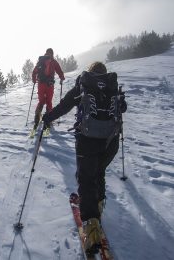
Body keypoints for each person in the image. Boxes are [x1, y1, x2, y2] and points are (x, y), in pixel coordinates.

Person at [42, 61, 127, 255]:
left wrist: (48, 118)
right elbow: (123, 108)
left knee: (86, 179)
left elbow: (64, 106)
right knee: (99, 172)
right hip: (110, 142)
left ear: (90, 72)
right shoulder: (112, 87)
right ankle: (98, 205)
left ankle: (92, 228)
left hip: (87, 141)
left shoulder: (84, 85)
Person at [32, 48, 65, 129]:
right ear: (52, 53)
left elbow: (34, 71)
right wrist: (61, 77)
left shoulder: (41, 60)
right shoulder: (53, 61)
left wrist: (34, 80)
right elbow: (59, 71)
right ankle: (49, 119)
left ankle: (37, 117)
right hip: (49, 84)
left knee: (41, 101)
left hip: (40, 84)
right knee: (49, 101)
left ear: (45, 53)